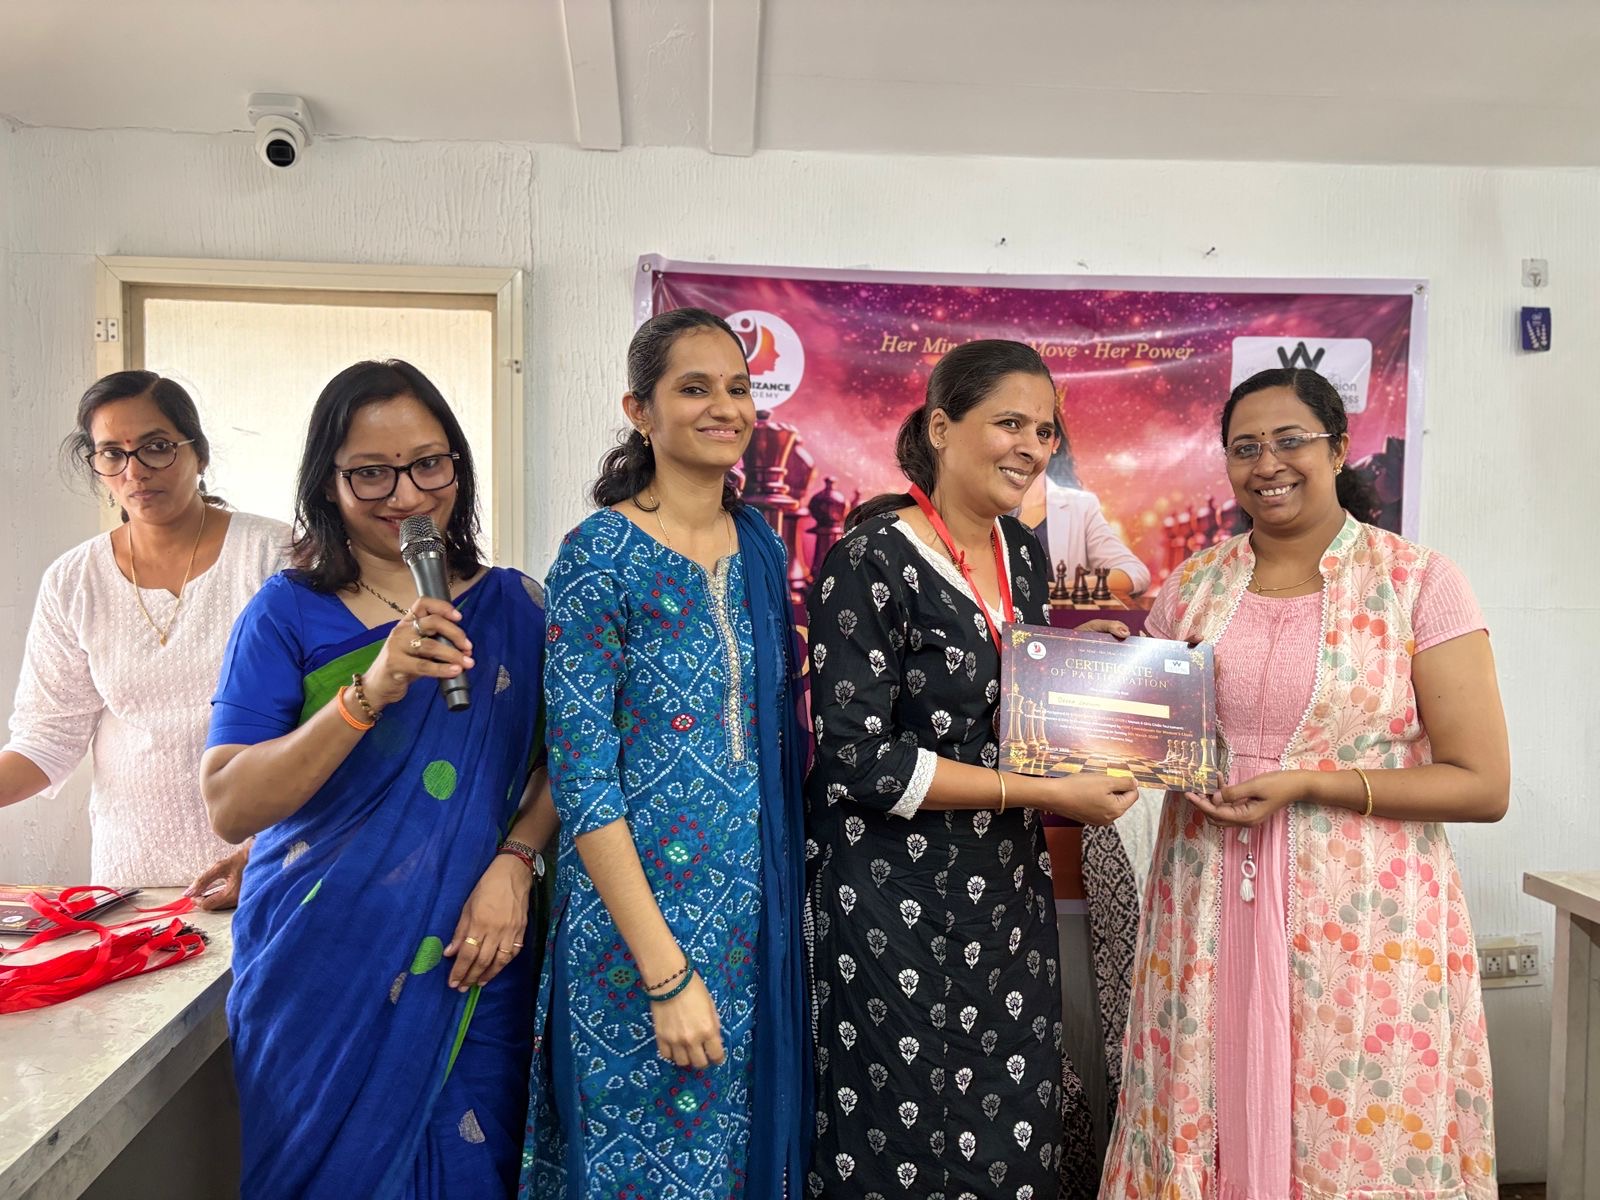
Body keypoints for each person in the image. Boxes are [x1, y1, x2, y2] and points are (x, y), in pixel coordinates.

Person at [1100, 367, 1509, 1200]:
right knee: (1204, 1105)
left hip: (1363, 915)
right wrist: (1109, 675)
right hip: (1205, 899)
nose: (1267, 464)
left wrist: (1310, 785)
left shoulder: (1416, 582)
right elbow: (1151, 743)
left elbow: (1482, 784)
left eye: (1290, 441)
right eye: (1244, 448)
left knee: (1347, 1117)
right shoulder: (1193, 587)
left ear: (1339, 446)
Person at [200, 360, 554, 1200]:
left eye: (429, 464)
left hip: (475, 960)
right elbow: (230, 802)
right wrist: (371, 689)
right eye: (371, 473)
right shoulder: (286, 612)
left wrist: (516, 862)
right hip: (321, 968)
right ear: (327, 483)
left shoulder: (519, 607)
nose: (406, 495)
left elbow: (565, 767)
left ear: (457, 465)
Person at [804, 339, 1140, 1200]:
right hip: (892, 898)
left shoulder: (1022, 553)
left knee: (1011, 1120)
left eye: (1045, 430)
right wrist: (1046, 793)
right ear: (941, 428)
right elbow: (860, 760)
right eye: (1009, 423)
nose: (1032, 446)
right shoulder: (869, 560)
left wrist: (1078, 668)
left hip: (1006, 894)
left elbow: (996, 697)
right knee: (900, 1128)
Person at [522, 308, 810, 1199]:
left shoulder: (758, 548)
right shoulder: (598, 556)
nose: (725, 407)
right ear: (639, 410)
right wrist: (665, 970)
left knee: (731, 1167)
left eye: (738, 388)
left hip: (747, 926)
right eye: (694, 388)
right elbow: (583, 780)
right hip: (633, 937)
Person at [1, 370, 287, 903]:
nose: (135, 471)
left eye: (157, 447)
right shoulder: (74, 581)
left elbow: (325, 721)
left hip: (265, 865)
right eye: (113, 453)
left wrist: (264, 849)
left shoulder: (274, 555)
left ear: (198, 453)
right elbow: (48, 739)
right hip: (130, 880)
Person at [1021, 408, 1150, 598]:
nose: (1029, 446)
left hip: (1055, 617)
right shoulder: (980, 504)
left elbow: (1135, 573)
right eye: (1014, 427)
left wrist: (1060, 589)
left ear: (1055, 443)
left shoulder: (1081, 507)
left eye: (1043, 433)